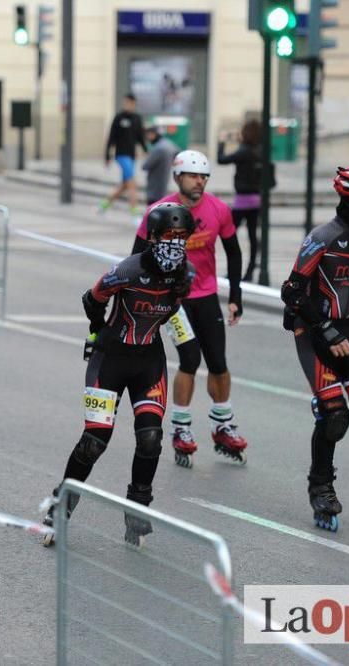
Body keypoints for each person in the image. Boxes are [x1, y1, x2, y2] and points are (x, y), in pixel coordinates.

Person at [42, 202, 196, 547]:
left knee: (150, 438)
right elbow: (91, 298)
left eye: (183, 238)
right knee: (95, 441)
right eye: (169, 236)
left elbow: (175, 314)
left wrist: (188, 345)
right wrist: (96, 331)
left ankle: (138, 510)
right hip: (110, 359)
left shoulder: (186, 275)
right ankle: (60, 506)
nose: (176, 243)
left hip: (149, 363)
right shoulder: (127, 270)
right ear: (153, 237)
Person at [280, 165, 349, 535]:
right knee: (335, 414)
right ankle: (321, 487)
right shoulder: (321, 237)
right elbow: (292, 292)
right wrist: (326, 332)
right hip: (313, 331)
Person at [133, 150, 247, 468]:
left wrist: (235, 295)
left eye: (204, 177)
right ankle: (181, 428)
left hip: (207, 295)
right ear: (178, 177)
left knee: (219, 363)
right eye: (194, 176)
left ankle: (222, 423)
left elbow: (234, 253)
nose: (200, 182)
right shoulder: (158, 212)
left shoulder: (218, 210)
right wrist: (145, 299)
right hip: (173, 300)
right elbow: (137, 256)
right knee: (190, 358)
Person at [217, 119, 264, 282]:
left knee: (228, 234)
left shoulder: (243, 151)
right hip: (257, 199)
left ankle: (233, 270)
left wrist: (221, 142)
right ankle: (250, 271)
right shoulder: (260, 150)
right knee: (252, 237)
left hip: (242, 200)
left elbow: (221, 159)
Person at [100, 93, 146, 224]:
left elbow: (140, 138)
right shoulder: (118, 118)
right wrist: (107, 156)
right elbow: (111, 137)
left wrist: (147, 151)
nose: (127, 105)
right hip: (121, 156)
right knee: (132, 183)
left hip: (132, 156)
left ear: (133, 104)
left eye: (129, 103)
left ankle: (103, 206)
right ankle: (135, 213)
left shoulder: (137, 118)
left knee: (124, 185)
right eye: (125, 102)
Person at [141, 125, 177, 206]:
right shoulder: (169, 144)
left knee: (152, 210)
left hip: (154, 188)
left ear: (153, 134)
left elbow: (145, 166)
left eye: (148, 135)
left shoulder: (158, 148)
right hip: (164, 185)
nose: (147, 138)